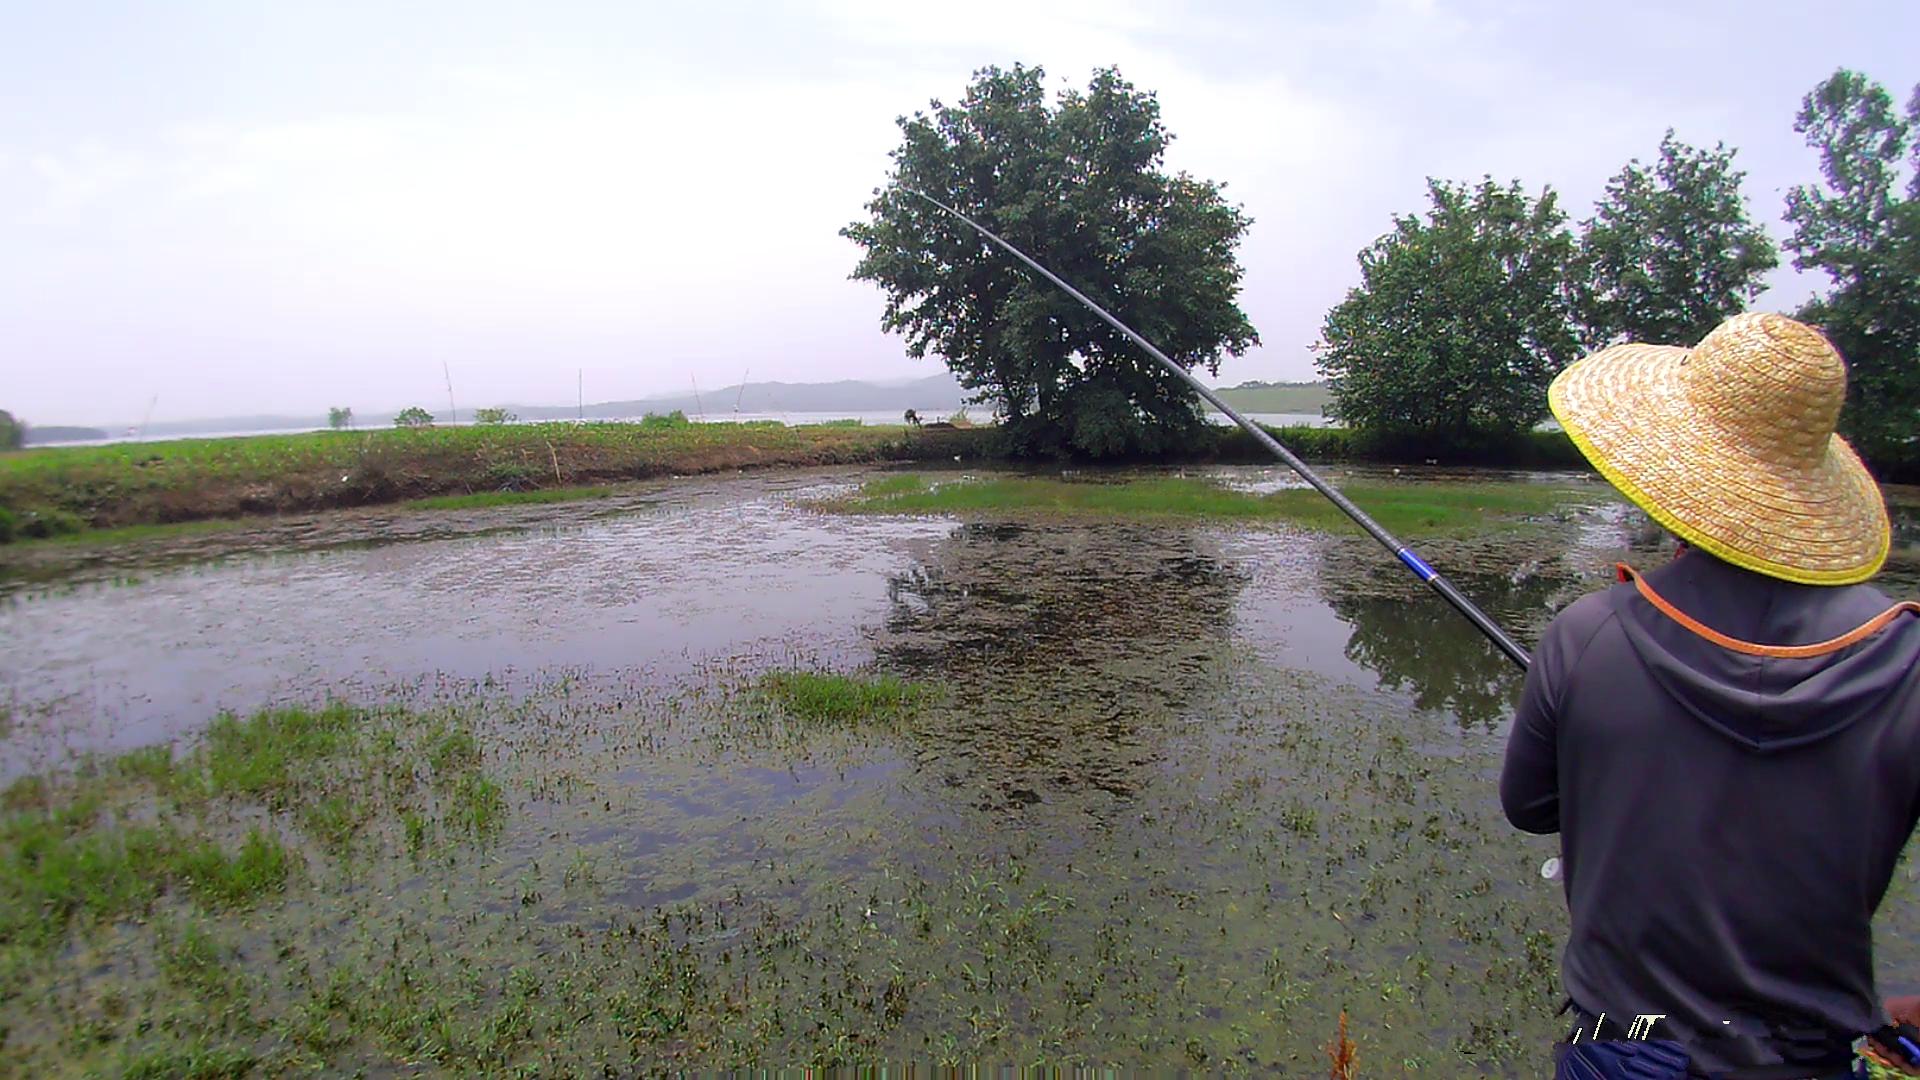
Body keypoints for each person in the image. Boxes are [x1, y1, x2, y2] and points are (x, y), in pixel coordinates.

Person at [1498, 312, 1920, 1079]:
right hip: (1813, 1055)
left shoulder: (1586, 635)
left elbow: (1529, 806)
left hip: (1631, 1045)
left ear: (1669, 464)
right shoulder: (1910, 656)